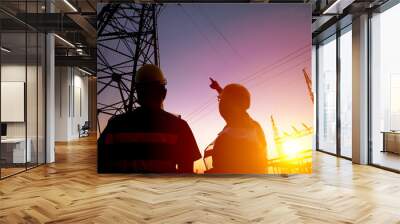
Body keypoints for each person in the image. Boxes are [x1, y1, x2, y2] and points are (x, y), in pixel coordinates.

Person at [98, 64, 201, 173]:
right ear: (164, 93)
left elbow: (99, 165)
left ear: (137, 93)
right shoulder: (180, 127)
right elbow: (186, 174)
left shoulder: (115, 125)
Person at [208, 80, 267, 174]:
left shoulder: (227, 138)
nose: (220, 104)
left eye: (221, 100)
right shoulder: (255, 126)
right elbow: (234, 98)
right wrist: (218, 88)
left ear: (230, 104)